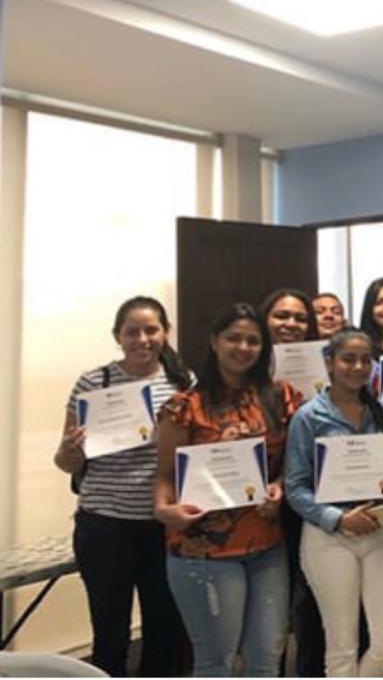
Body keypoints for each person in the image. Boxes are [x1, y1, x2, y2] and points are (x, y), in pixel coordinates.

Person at [153, 303, 302, 676]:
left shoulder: (281, 397)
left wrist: (280, 487)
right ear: (214, 342)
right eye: (234, 338)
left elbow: (295, 462)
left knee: (267, 660)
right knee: (216, 663)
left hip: (267, 545)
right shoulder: (184, 407)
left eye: (253, 340)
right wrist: (163, 510)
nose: (243, 347)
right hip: (203, 550)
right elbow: (165, 475)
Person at [55, 297, 191, 677]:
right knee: (110, 633)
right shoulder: (93, 383)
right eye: (132, 332)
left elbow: (193, 452)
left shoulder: (184, 383)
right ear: (118, 336)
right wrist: (70, 450)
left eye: (151, 330)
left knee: (163, 631)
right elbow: (66, 463)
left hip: (162, 525)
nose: (142, 340)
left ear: (166, 332)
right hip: (104, 526)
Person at [284, 328, 383, 677]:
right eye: (348, 359)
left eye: (365, 360)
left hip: (379, 531)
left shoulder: (380, 411)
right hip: (329, 538)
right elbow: (295, 488)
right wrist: (337, 518)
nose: (358, 367)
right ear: (329, 363)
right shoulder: (308, 417)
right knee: (342, 647)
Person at [257, 288, 324, 677]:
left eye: (300, 318)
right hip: (255, 506)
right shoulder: (246, 372)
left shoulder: (324, 367)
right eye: (281, 316)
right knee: (269, 608)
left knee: (307, 597)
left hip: (305, 496)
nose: (291, 324)